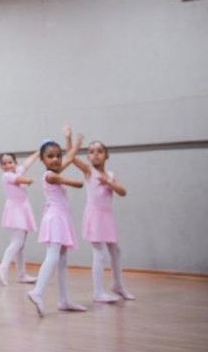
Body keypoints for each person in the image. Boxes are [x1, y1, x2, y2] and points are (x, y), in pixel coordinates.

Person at [26, 130, 86, 317]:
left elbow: (70, 157)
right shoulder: (50, 176)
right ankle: (37, 291)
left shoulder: (56, 171)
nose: (55, 160)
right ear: (42, 160)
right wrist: (78, 180)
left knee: (61, 259)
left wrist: (72, 141)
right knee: (52, 256)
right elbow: (77, 183)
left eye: (57, 156)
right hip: (55, 218)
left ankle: (64, 299)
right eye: (50, 157)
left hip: (60, 217)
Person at [69, 135, 135, 302]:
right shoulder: (89, 171)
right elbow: (70, 157)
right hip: (94, 215)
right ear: (88, 157)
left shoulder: (110, 174)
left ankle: (117, 285)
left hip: (107, 216)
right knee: (99, 253)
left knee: (116, 251)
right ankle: (98, 292)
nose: (95, 154)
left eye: (99, 151)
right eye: (91, 152)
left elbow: (123, 192)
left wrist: (109, 183)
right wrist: (69, 139)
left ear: (107, 155)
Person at [0, 149, 41, 286]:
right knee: (17, 242)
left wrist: (39, 152)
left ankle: (21, 274)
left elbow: (27, 163)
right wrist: (31, 179)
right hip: (15, 210)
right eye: (4, 163)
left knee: (20, 245)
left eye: (10, 162)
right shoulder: (7, 176)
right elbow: (20, 180)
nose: (8, 165)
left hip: (22, 209)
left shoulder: (18, 170)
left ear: (15, 163)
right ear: (1, 166)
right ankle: (3, 267)